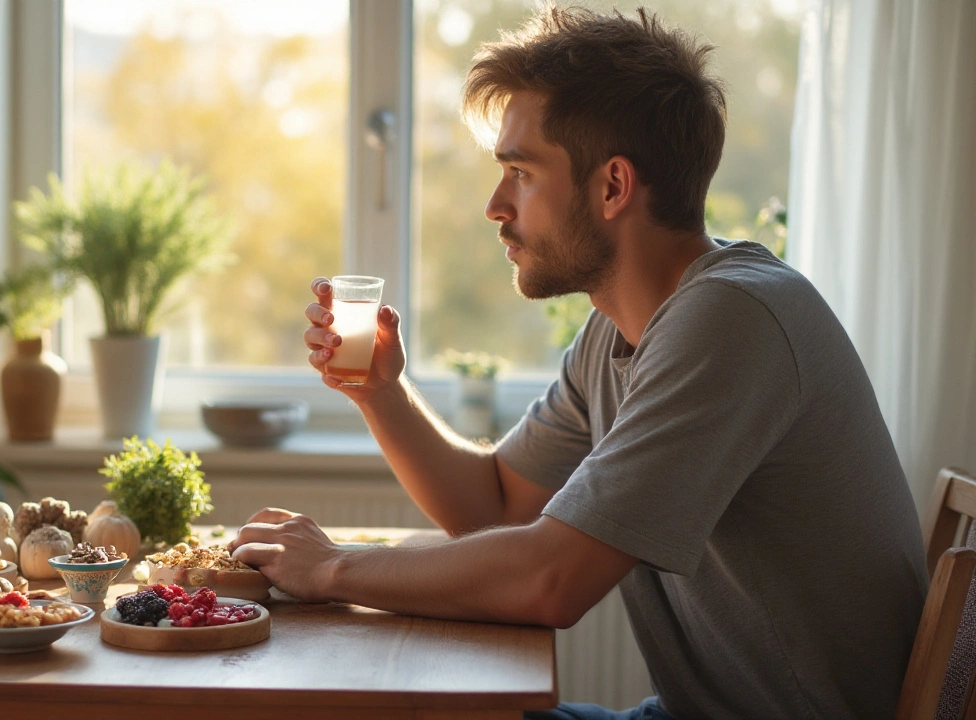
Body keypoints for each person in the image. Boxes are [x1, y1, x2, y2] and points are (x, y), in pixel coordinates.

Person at [228, 6, 927, 719]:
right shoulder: (618, 330)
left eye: (521, 173)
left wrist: (334, 568)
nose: (496, 205)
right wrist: (384, 394)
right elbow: (494, 507)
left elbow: (551, 581)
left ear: (613, 186)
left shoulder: (731, 320)